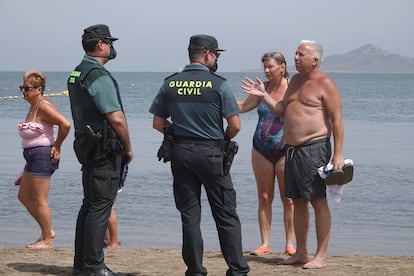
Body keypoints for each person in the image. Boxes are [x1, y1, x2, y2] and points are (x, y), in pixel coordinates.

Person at [149, 34, 250, 276]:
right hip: (212, 153)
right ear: (206, 54)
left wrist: (174, 131)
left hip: (181, 153)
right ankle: (237, 269)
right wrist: (223, 139)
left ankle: (195, 269)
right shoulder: (219, 84)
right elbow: (235, 125)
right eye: (216, 54)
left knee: (190, 215)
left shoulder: (170, 83)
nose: (216, 59)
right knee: (225, 213)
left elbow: (157, 123)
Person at [241, 40, 345, 269]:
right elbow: (281, 110)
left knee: (317, 201)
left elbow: (337, 121)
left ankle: (321, 256)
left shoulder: (325, 83)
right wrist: (263, 94)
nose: (296, 57)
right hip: (292, 150)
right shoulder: (296, 81)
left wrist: (337, 154)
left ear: (315, 60)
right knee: (297, 201)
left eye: (301, 54)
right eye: (296, 54)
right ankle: (301, 252)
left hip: (314, 148)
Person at [68, 24, 133, 276]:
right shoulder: (97, 74)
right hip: (104, 148)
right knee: (99, 207)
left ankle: (82, 264)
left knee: (90, 205)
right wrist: (128, 146)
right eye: (109, 42)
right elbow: (115, 117)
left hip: (87, 145)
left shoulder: (78, 72)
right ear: (101, 45)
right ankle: (94, 266)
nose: (112, 46)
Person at [237, 52, 295, 256]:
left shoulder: (291, 87)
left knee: (288, 198)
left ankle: (290, 243)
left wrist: (264, 95)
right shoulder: (262, 87)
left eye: (270, 67)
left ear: (282, 66)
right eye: (265, 67)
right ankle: (265, 243)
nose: (267, 71)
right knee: (264, 197)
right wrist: (217, 101)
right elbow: (244, 106)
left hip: (285, 149)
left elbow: (284, 111)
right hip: (261, 148)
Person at [17, 70, 71, 249]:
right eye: (22, 88)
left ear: (39, 89)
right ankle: (47, 231)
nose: (23, 92)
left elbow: (65, 124)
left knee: (40, 199)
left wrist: (57, 145)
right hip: (32, 158)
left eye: (27, 88)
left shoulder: (44, 106)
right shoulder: (33, 105)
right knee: (24, 196)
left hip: (42, 156)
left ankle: (47, 239)